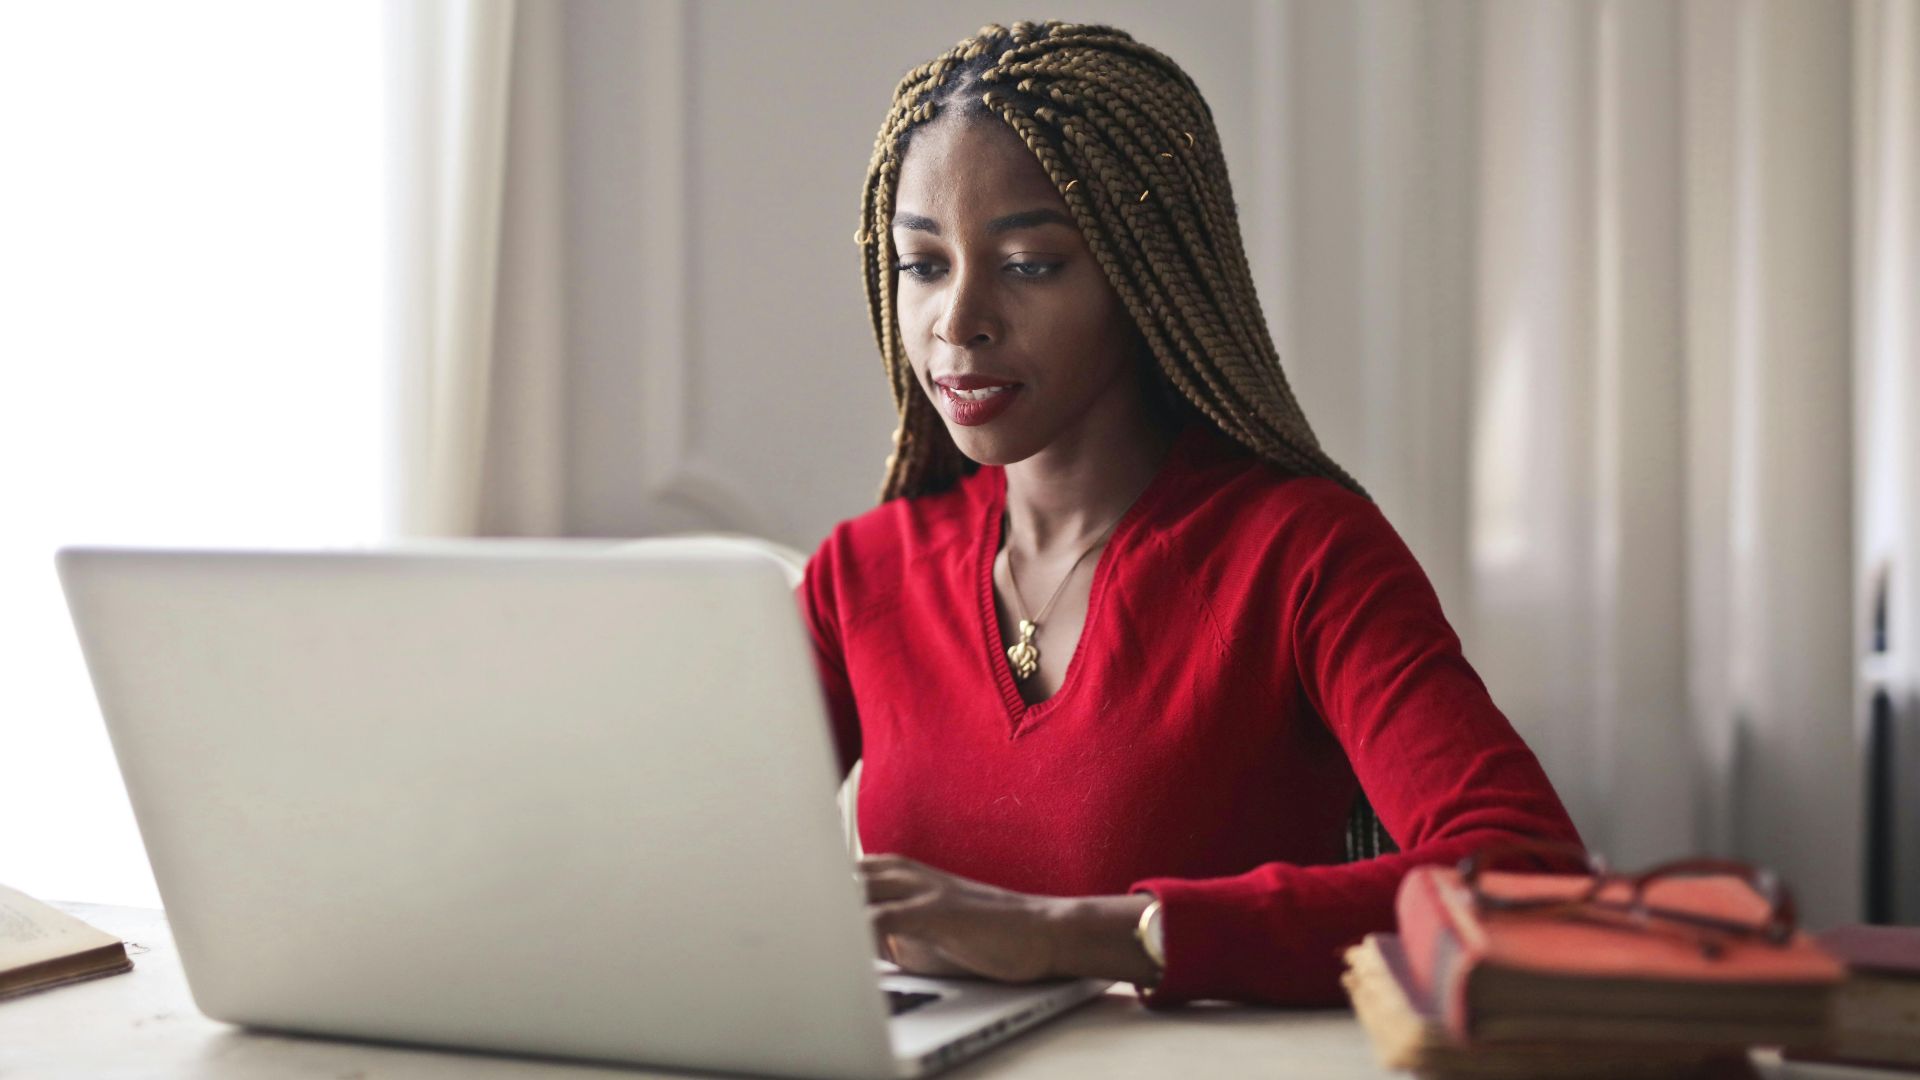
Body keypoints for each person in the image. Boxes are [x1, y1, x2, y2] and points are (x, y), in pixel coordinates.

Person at [797, 20, 1582, 1008]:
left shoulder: (1299, 553)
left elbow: (1529, 882)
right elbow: (677, 866)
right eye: (924, 265)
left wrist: (1067, 934)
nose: (959, 322)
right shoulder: (858, 576)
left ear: (1143, 273)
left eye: (1031, 263)